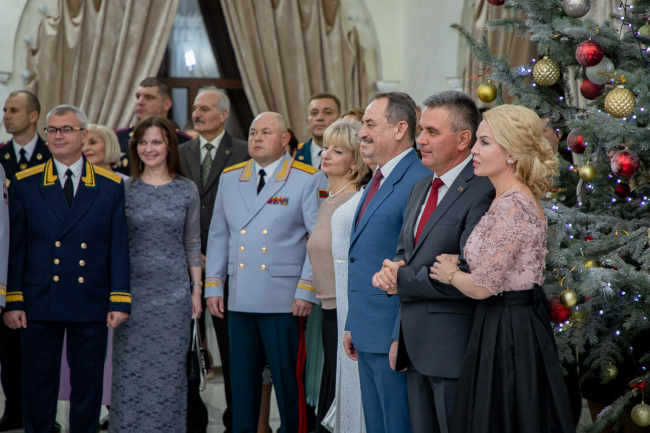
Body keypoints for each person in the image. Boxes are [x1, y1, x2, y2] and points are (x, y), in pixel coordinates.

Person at [424, 104, 574, 433]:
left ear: (511, 154)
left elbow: (483, 287)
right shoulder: (507, 198)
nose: (474, 150)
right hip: (508, 322)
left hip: (509, 330)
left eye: (484, 142)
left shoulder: (512, 205)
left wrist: (449, 274)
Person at [372, 91, 495, 433]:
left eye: (432, 132)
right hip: (415, 346)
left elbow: (471, 274)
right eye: (421, 130)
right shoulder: (421, 187)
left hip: (453, 351)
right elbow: (406, 253)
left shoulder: (483, 190)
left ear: (463, 139)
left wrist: (402, 280)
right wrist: (392, 271)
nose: (420, 140)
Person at [4, 104, 130, 433]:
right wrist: (13, 300)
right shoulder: (25, 182)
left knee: (88, 385)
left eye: (67, 129)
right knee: (38, 385)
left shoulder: (110, 184)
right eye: (52, 130)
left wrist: (119, 298)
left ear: (84, 135)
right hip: (39, 298)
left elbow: (118, 246)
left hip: (91, 298)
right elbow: (16, 247)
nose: (58, 136)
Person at [205, 111, 328, 433]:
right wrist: (214, 285)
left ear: (285, 139)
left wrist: (306, 289)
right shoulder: (231, 177)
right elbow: (218, 234)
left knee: (289, 383)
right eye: (253, 132)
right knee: (241, 383)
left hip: (284, 300)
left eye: (266, 132)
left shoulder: (307, 177)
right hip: (240, 297)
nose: (257, 138)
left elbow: (317, 240)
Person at [342, 92, 431, 433]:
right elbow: (363, 257)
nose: (361, 133)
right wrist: (353, 323)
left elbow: (413, 261)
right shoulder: (378, 178)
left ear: (399, 129)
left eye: (370, 124)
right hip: (367, 331)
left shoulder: (418, 179)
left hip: (393, 336)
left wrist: (399, 337)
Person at [109, 116, 202, 433]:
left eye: (157, 142)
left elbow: (192, 243)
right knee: (129, 372)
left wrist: (197, 291)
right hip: (132, 296)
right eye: (143, 142)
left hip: (173, 297)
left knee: (169, 374)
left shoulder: (186, 189)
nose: (149, 148)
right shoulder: (124, 189)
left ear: (169, 146)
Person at [179, 87, 249, 433]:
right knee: (187, 346)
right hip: (186, 266)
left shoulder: (245, 151)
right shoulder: (180, 152)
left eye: (205, 108)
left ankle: (236, 419)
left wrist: (218, 255)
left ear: (223, 114)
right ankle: (193, 419)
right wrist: (193, 254)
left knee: (232, 348)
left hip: (230, 268)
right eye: (195, 108)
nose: (197, 113)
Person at [306, 119, 370, 432]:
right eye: (326, 147)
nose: (326, 154)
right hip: (326, 309)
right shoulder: (329, 199)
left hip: (346, 312)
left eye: (338, 150)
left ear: (355, 161)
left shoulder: (355, 201)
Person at [0, 89, 52, 432]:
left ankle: (43, 415)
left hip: (45, 263)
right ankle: (14, 410)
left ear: (33, 116)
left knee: (43, 349)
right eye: (5, 110)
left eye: (14, 110)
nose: (6, 116)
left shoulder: (52, 156)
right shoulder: (0, 156)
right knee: (9, 347)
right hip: (7, 263)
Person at [114, 77, 191, 173]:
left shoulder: (185, 142)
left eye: (149, 97)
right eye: (138, 97)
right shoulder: (117, 139)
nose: (140, 102)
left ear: (166, 104)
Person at [296, 93, 341, 168]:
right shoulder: (294, 154)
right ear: (307, 122)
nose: (319, 118)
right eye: (314, 113)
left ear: (340, 120)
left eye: (327, 112)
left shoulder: (350, 155)